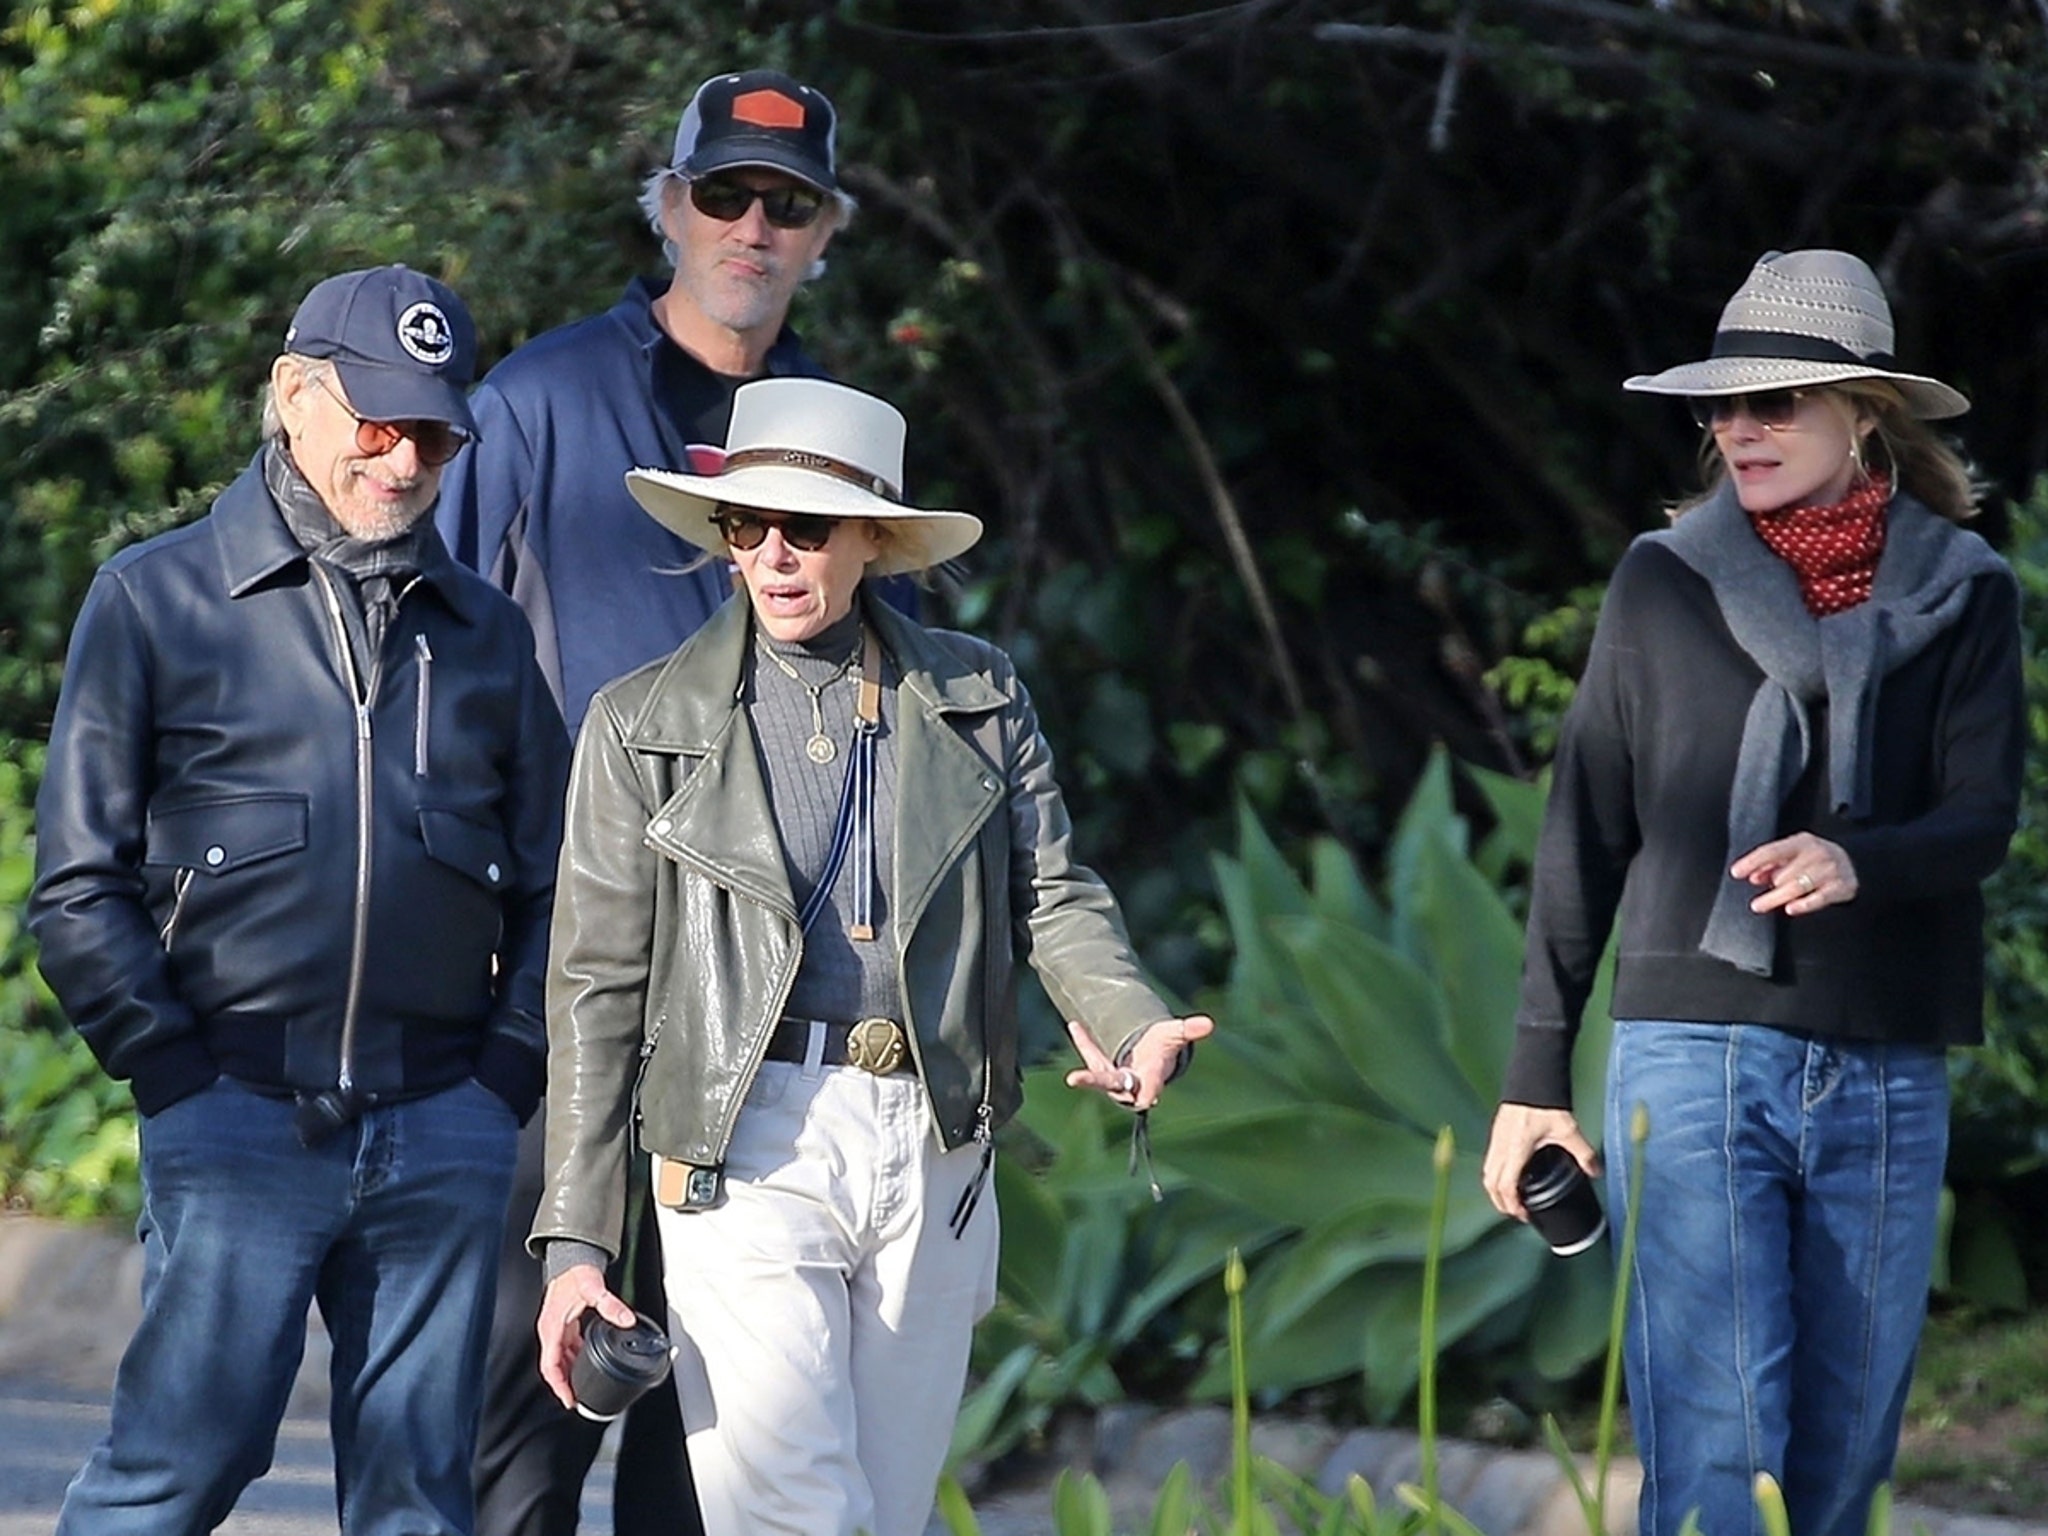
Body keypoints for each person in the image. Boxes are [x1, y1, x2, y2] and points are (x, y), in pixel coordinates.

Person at [528, 376, 1215, 1536]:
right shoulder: (637, 723)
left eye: (807, 527)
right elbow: (597, 990)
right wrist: (577, 1243)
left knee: (880, 1515)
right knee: (799, 1511)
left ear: (874, 542)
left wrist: (1134, 1018)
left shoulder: (976, 694)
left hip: (934, 1137)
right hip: (737, 1139)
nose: (775, 554)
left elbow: (1049, 890)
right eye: (748, 525)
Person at [1481, 250, 2023, 1536]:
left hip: (1885, 1058)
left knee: (1841, 1456)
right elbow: (1582, 832)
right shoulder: (1659, 581)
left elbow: (1980, 820)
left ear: (1863, 414)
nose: (1737, 428)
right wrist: (1530, 1081)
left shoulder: (1964, 594)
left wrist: (1858, 860)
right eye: (1720, 406)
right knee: (1716, 1448)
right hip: (1690, 1052)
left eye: (1772, 402)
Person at [28, 265, 568, 1535]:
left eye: (434, 433)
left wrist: (504, 1080)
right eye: (377, 423)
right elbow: (75, 888)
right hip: (233, 1120)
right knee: (176, 1477)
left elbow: (563, 890)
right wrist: (169, 1072)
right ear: (292, 396)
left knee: (418, 1507)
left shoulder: (486, 635)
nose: (403, 461)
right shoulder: (154, 601)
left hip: (444, 1127)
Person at [433, 68, 893, 1536]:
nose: (754, 225)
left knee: (713, 1431)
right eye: (726, 194)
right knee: (534, 1401)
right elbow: (424, 667)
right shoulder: (539, 402)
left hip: (765, 1008)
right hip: (565, 977)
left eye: (790, 202)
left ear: (826, 232)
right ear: (671, 204)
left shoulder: (833, 438)